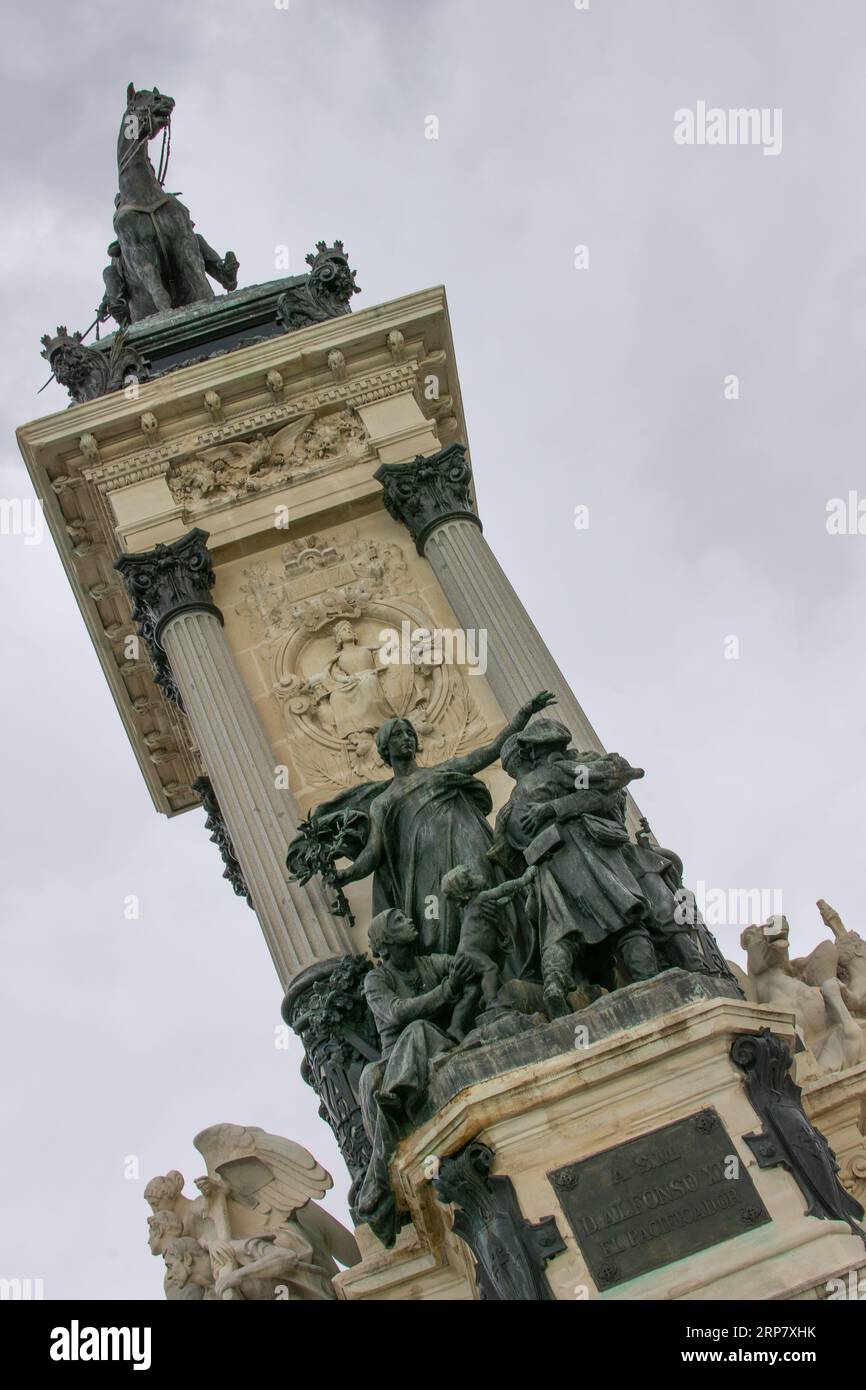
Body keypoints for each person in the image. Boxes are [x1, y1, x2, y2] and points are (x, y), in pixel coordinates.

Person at [333, 690, 556, 961]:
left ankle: (519, 961)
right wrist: (348, 874)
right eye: (397, 735)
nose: (406, 738)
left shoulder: (440, 772)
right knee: (440, 924)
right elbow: (373, 852)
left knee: (488, 894)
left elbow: (491, 750)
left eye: (408, 733)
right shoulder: (382, 801)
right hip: (425, 868)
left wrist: (524, 712)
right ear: (384, 750)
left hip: (469, 842)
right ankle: (475, 981)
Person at [355, 908, 478, 1244]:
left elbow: (466, 970)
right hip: (395, 1059)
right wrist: (446, 991)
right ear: (385, 942)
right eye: (398, 921)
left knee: (421, 1031)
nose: (409, 920)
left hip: (434, 1042)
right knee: (384, 1063)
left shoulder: (429, 962)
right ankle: (383, 1169)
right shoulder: (376, 980)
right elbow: (396, 1012)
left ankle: (396, 1105)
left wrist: (459, 1000)